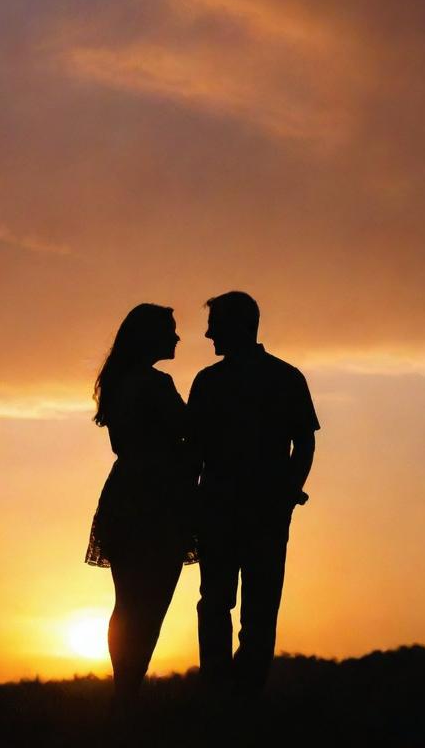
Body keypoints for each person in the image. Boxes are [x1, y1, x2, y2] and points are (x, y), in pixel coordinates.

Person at [189, 291, 319, 700]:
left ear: (239, 326)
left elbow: (305, 444)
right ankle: (229, 698)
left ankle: (232, 700)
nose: (208, 334)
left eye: (215, 325)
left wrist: (285, 495)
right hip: (233, 513)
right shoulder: (280, 377)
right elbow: (305, 445)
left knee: (237, 608)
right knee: (232, 606)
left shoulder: (272, 378)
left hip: (248, 513)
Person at [85, 303, 198, 712]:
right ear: (150, 335)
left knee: (128, 602)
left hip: (126, 494)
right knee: (150, 604)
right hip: (159, 500)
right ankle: (128, 696)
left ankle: (124, 692)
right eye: (170, 329)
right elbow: (191, 435)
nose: (177, 337)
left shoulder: (118, 383)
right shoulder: (154, 384)